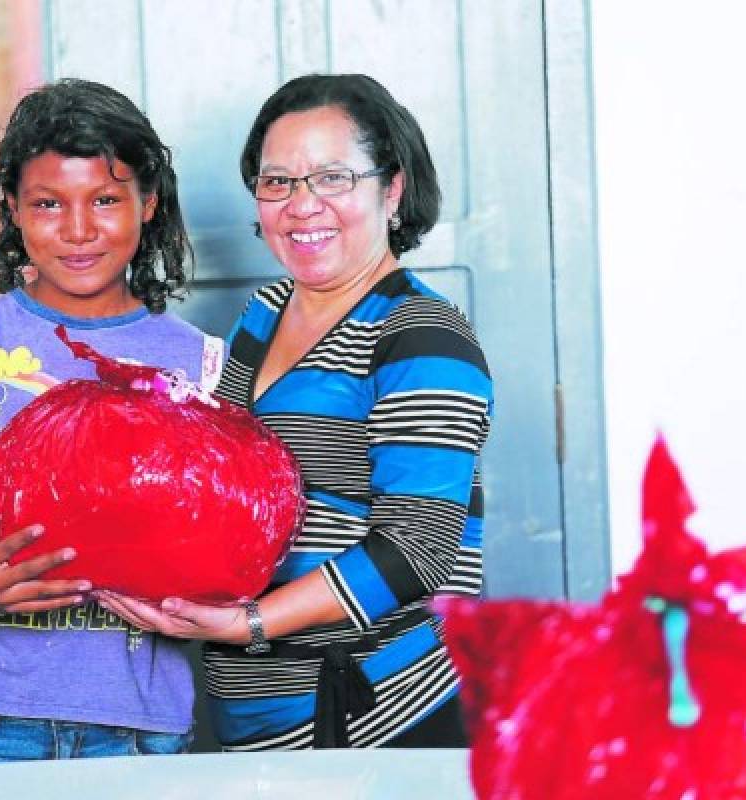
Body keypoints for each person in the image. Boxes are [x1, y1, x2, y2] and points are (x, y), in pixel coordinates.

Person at [100, 73, 493, 750]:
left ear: (391, 189)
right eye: (277, 181)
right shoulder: (265, 313)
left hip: (381, 715)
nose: (301, 204)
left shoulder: (421, 334)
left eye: (332, 177)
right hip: (256, 716)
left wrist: (249, 623)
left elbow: (419, 549)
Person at [0, 78, 220, 764]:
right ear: (13, 207)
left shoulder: (204, 367)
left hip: (138, 731)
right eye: (48, 204)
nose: (79, 229)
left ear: (148, 203)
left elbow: (219, 557)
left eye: (106, 200)